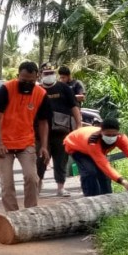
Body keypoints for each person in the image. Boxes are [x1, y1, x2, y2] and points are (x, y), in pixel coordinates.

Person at [0, 61, 52, 211]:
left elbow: (44, 122)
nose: (27, 83)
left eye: (31, 81)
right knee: (7, 184)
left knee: (32, 178)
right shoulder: (6, 89)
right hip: (4, 144)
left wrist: (44, 146)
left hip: (26, 143)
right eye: (23, 80)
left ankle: (31, 212)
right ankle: (13, 217)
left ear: (37, 77)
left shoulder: (41, 93)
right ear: (18, 76)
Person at [63, 118, 128, 197]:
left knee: (104, 175)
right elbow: (103, 163)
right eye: (108, 134)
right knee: (90, 172)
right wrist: (123, 181)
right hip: (75, 146)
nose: (111, 137)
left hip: (94, 149)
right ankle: (91, 199)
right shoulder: (93, 141)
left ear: (118, 132)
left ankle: (108, 197)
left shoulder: (121, 138)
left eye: (114, 135)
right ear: (101, 132)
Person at [37, 65, 82, 197]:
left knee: (61, 159)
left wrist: (79, 124)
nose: (49, 75)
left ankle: (60, 187)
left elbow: (74, 106)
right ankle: (38, 183)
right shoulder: (37, 89)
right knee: (40, 159)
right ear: (40, 75)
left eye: (51, 72)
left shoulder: (64, 88)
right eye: (46, 73)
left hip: (62, 131)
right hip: (40, 132)